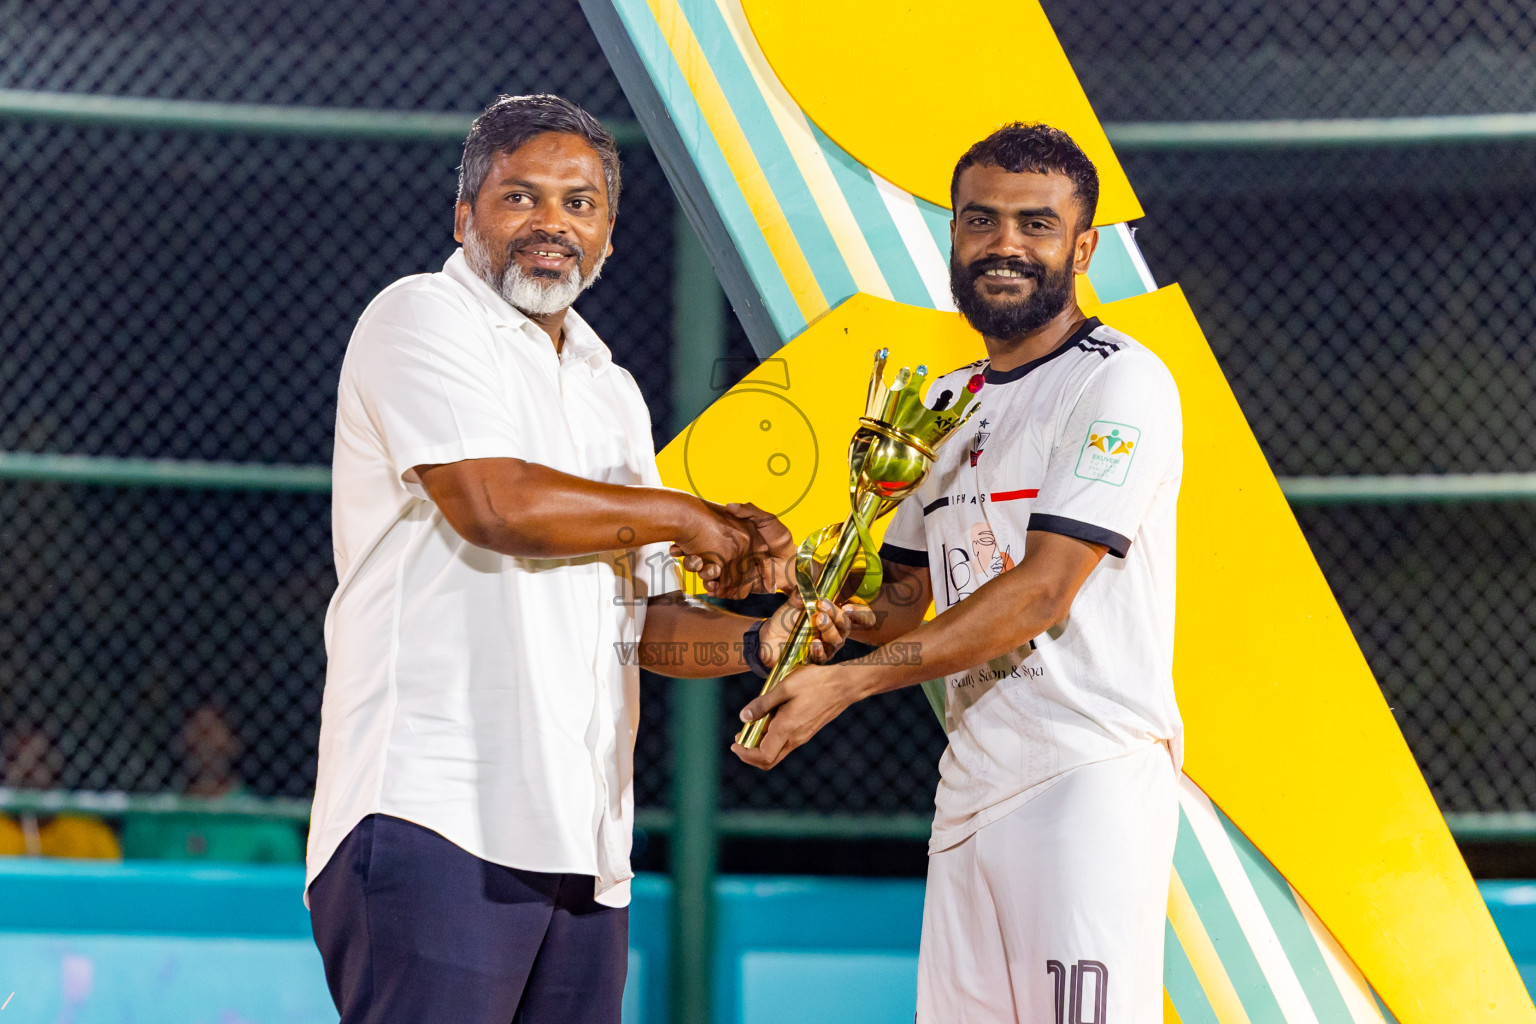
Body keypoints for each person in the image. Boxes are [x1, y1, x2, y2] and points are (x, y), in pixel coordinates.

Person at [305, 93, 863, 1024]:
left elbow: (641, 629)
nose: (551, 224)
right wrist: (691, 520)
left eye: (580, 203)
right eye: (520, 197)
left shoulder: (612, 392)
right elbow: (496, 505)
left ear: (607, 235)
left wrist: (765, 641)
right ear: (464, 216)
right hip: (432, 813)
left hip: (584, 845)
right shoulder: (421, 315)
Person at [732, 123, 1184, 1023]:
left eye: (1036, 224)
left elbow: (1042, 589)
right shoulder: (943, 402)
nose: (1005, 246)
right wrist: (834, 626)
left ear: (1082, 246)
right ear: (953, 238)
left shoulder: (1121, 384)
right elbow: (905, 599)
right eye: (981, 222)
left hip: (1084, 778)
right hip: (971, 790)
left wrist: (848, 684)